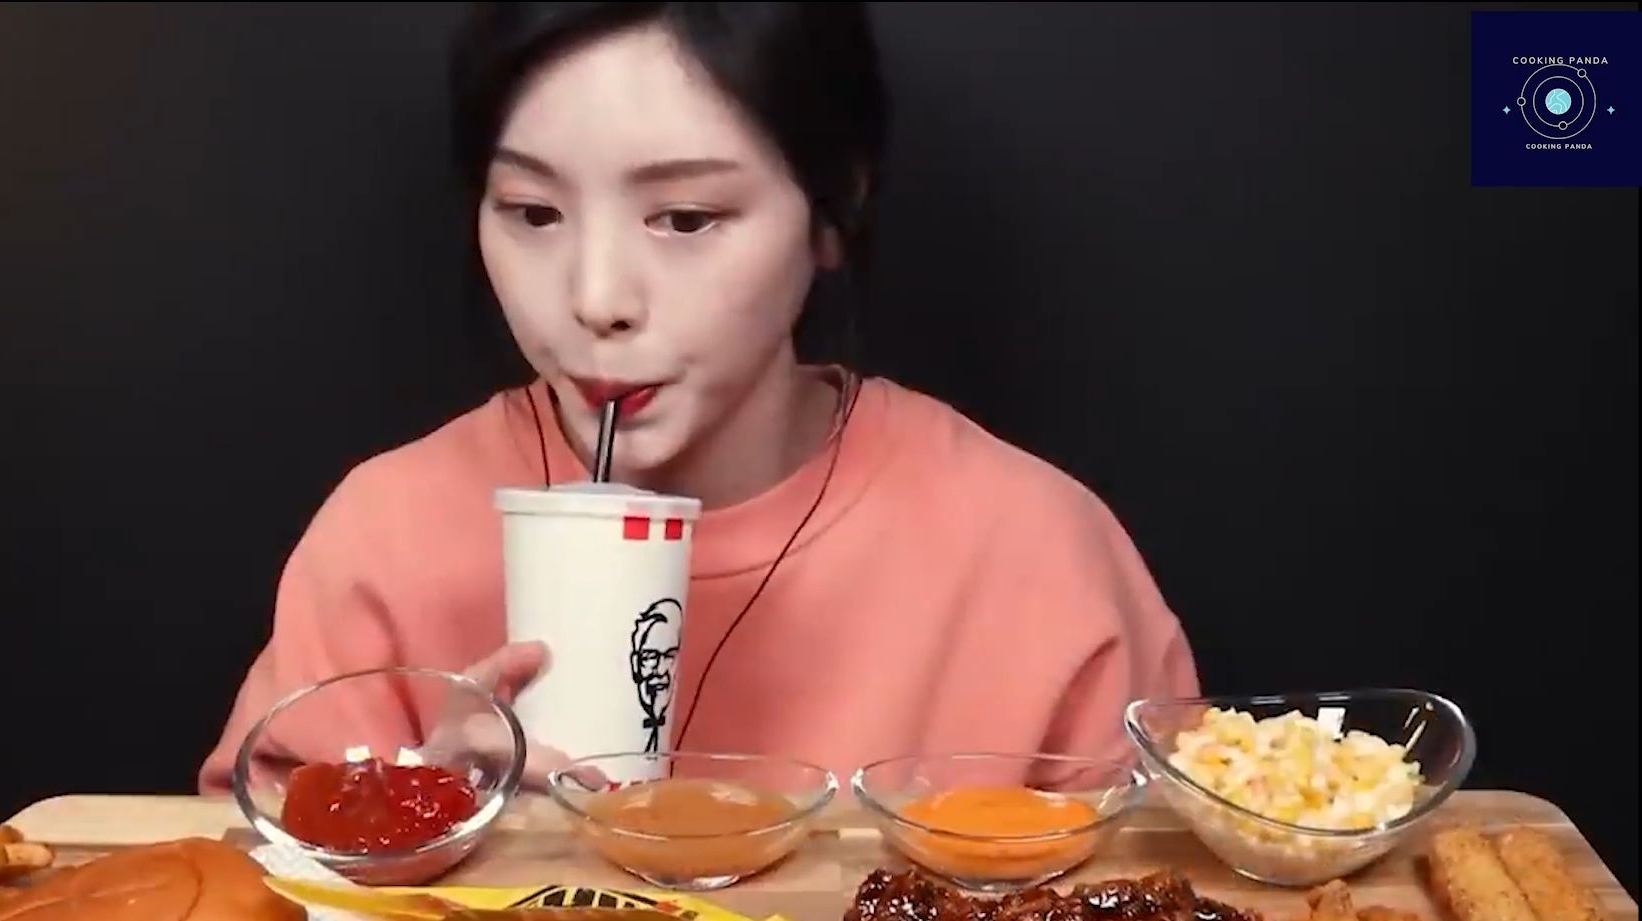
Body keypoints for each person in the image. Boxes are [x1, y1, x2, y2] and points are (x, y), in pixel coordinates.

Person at [198, 2, 1197, 794]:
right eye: (532, 212)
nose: (595, 299)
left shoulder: (1030, 551)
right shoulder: (387, 535)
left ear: (834, 211)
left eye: (684, 218)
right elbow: (259, 908)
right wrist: (420, 813)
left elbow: (1173, 910)